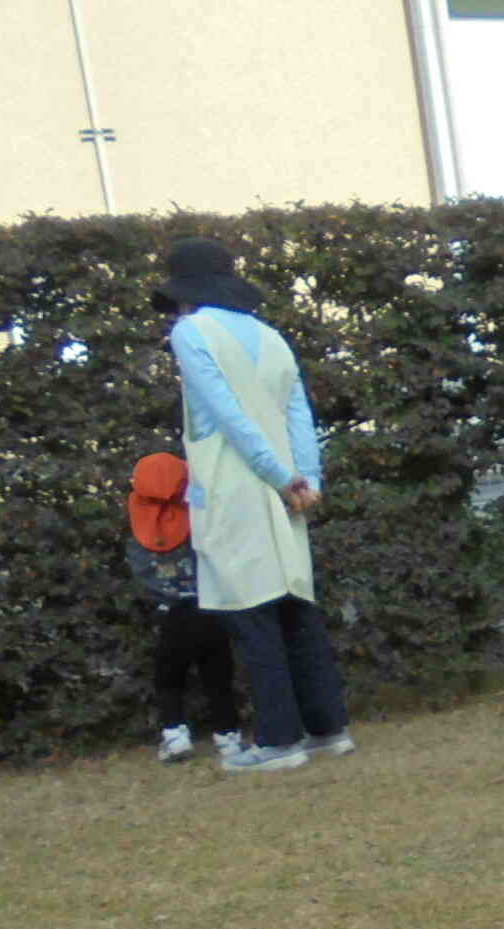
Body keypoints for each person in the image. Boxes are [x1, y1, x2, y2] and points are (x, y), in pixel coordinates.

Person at [152, 237, 357, 776]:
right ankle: (327, 728)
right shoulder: (272, 337)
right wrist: (304, 477)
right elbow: (298, 415)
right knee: (295, 604)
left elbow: (225, 414)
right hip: (286, 488)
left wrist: (278, 475)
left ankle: (278, 739)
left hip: (236, 483)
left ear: (185, 294)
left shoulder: (190, 332)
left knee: (252, 611)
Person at [124, 451, 243, 765]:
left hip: (171, 614)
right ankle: (228, 737)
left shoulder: (140, 522)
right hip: (211, 607)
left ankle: (175, 735)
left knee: (168, 678)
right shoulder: (196, 507)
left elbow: (140, 569)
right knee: (218, 677)